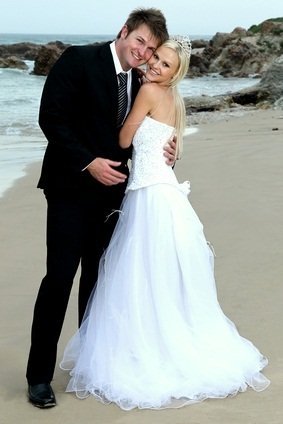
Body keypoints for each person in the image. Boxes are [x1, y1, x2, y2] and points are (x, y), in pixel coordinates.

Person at [60, 36, 270, 410]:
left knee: (138, 274)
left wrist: (136, 96)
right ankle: (162, 342)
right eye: (155, 58)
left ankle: (144, 349)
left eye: (164, 64)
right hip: (167, 193)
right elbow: (165, 147)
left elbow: (125, 139)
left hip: (147, 196)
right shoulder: (174, 100)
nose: (155, 65)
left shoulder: (150, 92)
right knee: (160, 276)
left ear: (175, 74)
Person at [26, 8, 173, 408]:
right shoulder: (79, 58)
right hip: (70, 189)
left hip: (114, 196)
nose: (143, 52)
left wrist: (167, 151)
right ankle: (39, 376)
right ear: (123, 32)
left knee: (97, 282)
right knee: (59, 279)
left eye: (151, 48)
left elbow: (145, 134)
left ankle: (89, 364)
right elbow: (50, 118)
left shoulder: (141, 80)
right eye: (139, 41)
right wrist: (87, 162)